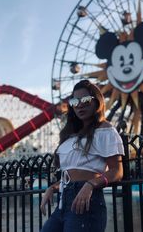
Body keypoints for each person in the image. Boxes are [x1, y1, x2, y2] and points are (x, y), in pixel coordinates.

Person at [40, 79, 124, 232]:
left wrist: (90, 184)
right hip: (63, 203)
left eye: (85, 99)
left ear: (96, 102)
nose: (80, 104)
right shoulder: (70, 135)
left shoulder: (105, 130)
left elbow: (117, 172)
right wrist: (53, 187)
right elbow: (72, 173)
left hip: (86, 203)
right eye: (75, 101)